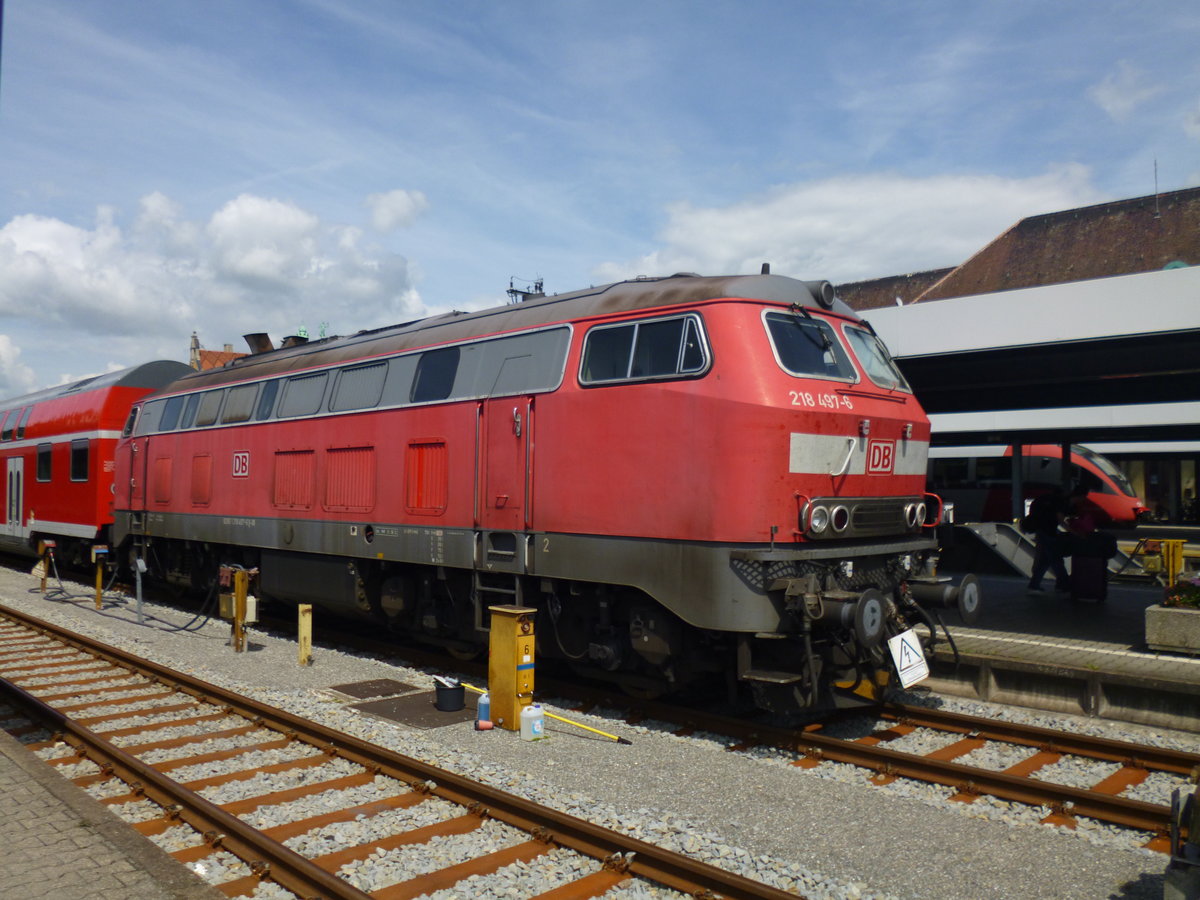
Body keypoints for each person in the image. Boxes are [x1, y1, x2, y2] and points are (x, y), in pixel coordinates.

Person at [1024, 487, 1069, 593]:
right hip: (1050, 532)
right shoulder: (1058, 502)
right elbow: (1060, 519)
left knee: (1045, 560)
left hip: (1039, 530)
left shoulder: (1039, 499)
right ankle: (1064, 584)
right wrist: (1072, 530)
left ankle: (1034, 584)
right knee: (1056, 559)